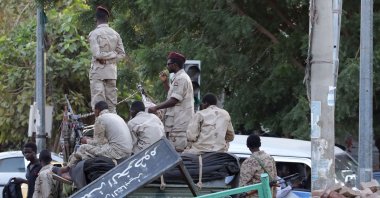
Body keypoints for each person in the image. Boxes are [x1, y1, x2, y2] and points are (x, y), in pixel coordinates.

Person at [58, 101, 132, 178]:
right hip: (128, 152)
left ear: (97, 110)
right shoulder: (116, 116)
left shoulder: (100, 119)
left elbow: (98, 143)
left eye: (94, 110)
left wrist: (86, 141)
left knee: (83, 148)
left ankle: (68, 170)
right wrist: (90, 140)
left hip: (117, 152)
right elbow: (104, 141)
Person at [148, 52, 194, 152]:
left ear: (174, 65)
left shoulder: (181, 78)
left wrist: (155, 108)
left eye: (168, 64)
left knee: (177, 156)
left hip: (179, 126)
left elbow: (173, 101)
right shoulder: (177, 77)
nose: (167, 66)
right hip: (175, 126)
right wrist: (165, 82)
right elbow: (172, 96)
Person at [88, 6, 126, 113]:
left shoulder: (94, 34)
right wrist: (112, 56)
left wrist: (105, 58)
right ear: (107, 19)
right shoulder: (115, 34)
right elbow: (122, 54)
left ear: (96, 19)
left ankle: (101, 128)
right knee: (112, 106)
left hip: (98, 73)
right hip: (111, 73)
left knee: (99, 105)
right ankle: (113, 128)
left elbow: (97, 55)